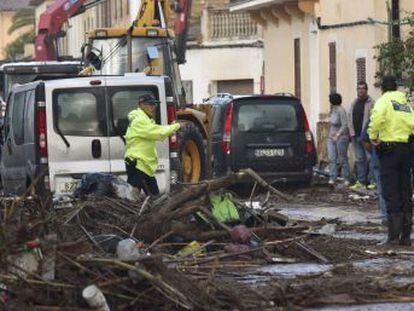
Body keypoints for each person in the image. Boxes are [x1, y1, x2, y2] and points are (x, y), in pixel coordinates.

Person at [368, 75, 414, 246]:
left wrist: (373, 136)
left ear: (383, 88)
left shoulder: (383, 101)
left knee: (391, 191)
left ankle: (393, 236)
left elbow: (377, 118)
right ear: (396, 87)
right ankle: (406, 236)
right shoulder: (404, 104)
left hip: (389, 151)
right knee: (405, 191)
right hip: (406, 150)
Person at [124, 94, 180, 196]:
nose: (153, 107)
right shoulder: (139, 120)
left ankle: (153, 211)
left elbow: (157, 130)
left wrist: (171, 127)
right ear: (141, 105)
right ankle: (126, 212)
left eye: (154, 105)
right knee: (131, 197)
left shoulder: (145, 119)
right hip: (138, 164)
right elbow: (158, 132)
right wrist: (176, 126)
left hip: (144, 165)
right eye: (150, 104)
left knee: (154, 196)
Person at [348, 81, 375, 189]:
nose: (361, 90)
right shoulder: (354, 102)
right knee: (359, 159)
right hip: (355, 135)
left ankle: (373, 181)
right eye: (359, 88)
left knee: (370, 159)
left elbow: (374, 119)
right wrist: (351, 132)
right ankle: (361, 181)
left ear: (366, 90)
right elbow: (350, 117)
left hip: (366, 137)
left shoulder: (371, 102)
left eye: (363, 88)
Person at [361, 121, 387, 225]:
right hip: (401, 159)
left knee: (383, 190)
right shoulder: (406, 112)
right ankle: (401, 220)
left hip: (379, 158)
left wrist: (374, 152)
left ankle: (387, 218)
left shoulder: (377, 115)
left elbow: (365, 140)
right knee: (401, 191)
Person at [327, 93, 351, 185]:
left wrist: (338, 134)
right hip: (331, 137)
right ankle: (332, 177)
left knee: (342, 158)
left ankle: (346, 178)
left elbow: (345, 124)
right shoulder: (332, 110)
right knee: (332, 158)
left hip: (341, 137)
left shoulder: (341, 110)